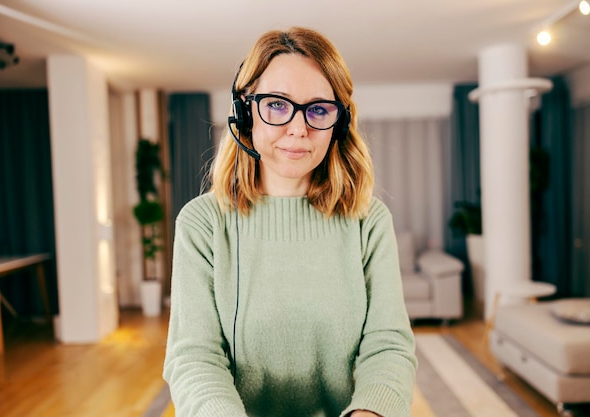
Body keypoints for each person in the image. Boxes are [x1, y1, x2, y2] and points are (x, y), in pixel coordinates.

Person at [163, 26, 417, 417]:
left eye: (318, 109)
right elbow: (194, 356)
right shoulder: (201, 224)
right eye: (277, 105)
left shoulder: (369, 221)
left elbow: (388, 344)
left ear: (339, 124)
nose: (298, 128)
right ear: (246, 112)